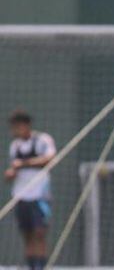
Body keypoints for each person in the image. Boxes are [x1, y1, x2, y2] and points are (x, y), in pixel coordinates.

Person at [5, 111, 57, 270]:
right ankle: (32, 266)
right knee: (27, 234)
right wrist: (11, 173)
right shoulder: (15, 146)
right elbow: (14, 168)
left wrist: (24, 164)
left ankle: (41, 266)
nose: (14, 130)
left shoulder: (42, 140)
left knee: (39, 233)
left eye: (17, 126)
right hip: (21, 196)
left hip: (39, 195)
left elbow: (49, 159)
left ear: (26, 125)